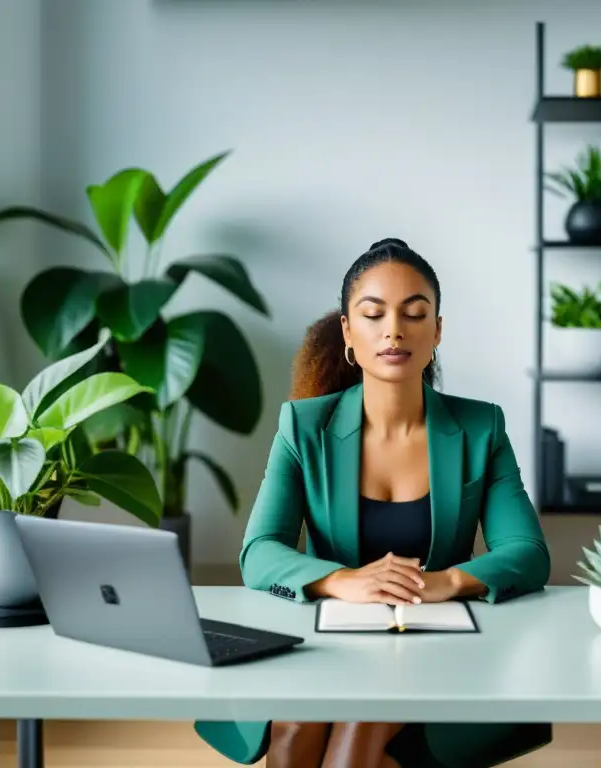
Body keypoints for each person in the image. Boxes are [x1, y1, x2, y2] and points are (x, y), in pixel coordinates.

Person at [194, 238, 553, 768]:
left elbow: (527, 552)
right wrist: (344, 580)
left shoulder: (481, 427)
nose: (394, 330)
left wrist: (448, 581)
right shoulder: (303, 427)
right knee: (295, 727)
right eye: (373, 314)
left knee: (359, 733)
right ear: (347, 332)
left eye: (415, 314)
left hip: (437, 644)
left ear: (436, 332)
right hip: (328, 640)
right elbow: (259, 552)